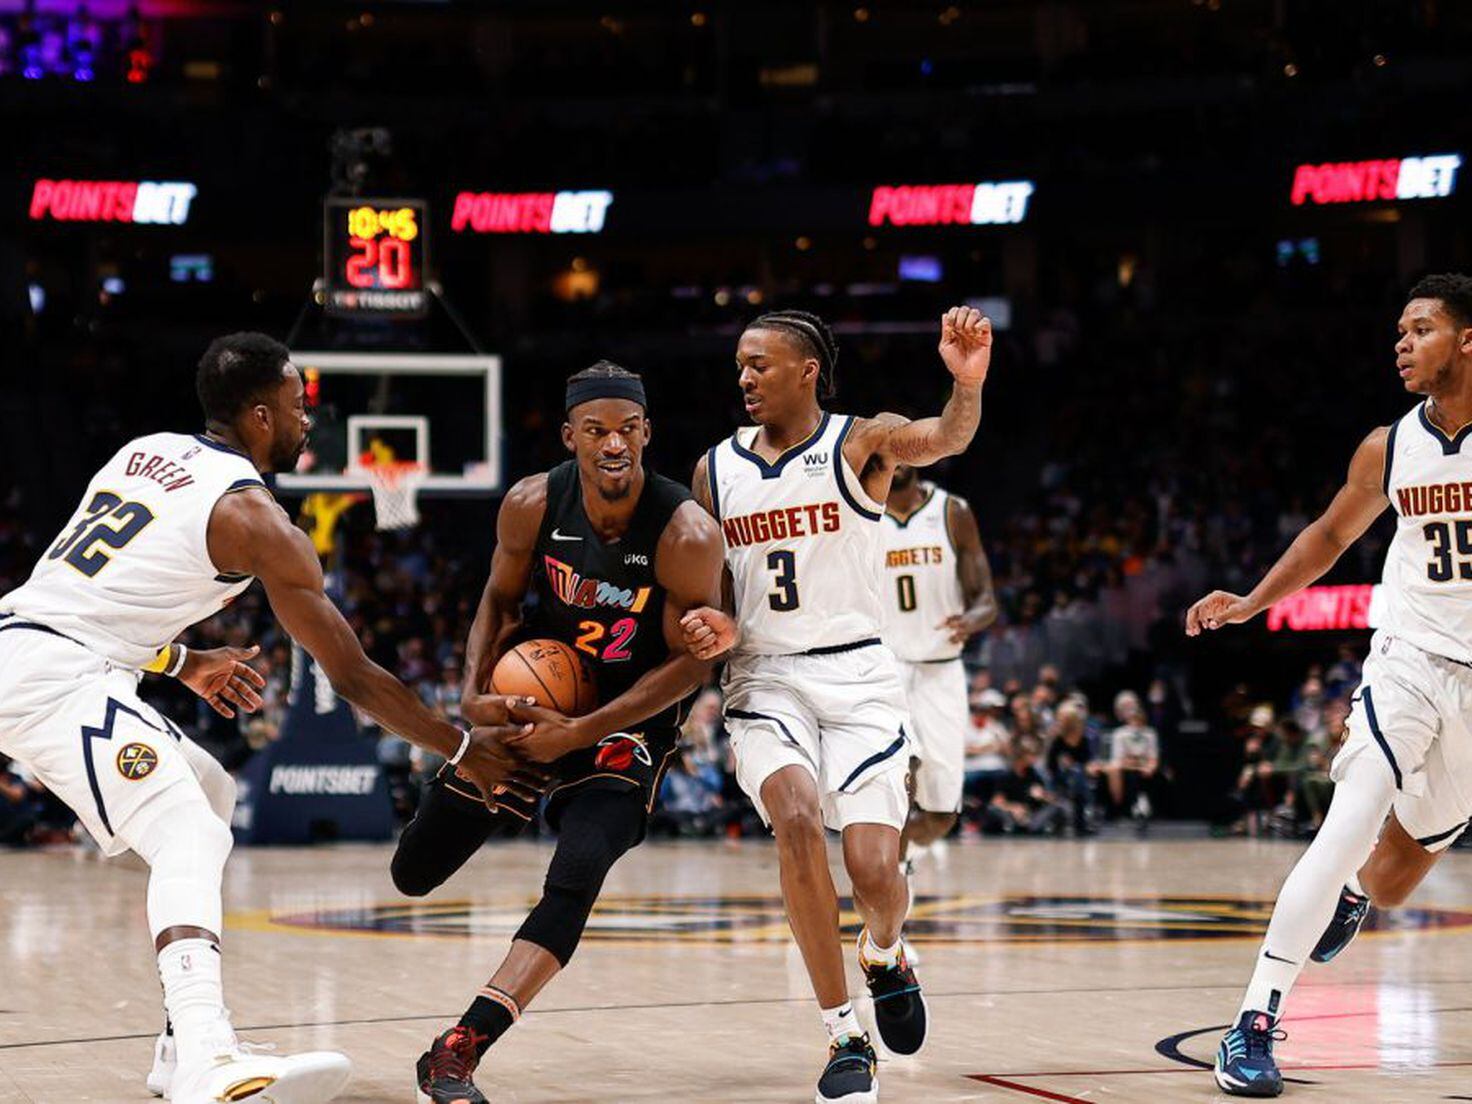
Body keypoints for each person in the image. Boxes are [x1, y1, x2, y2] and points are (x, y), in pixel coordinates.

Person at [0, 332, 537, 1104]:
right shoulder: (256, 520)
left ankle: (175, 1046)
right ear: (258, 415)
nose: (308, 420)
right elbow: (350, 674)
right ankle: (207, 1056)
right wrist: (460, 748)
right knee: (187, 829)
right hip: (55, 680)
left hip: (38, 649)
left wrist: (187, 663)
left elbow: (93, 602)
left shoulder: (144, 451)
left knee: (212, 793)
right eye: (297, 405)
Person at [390, 362, 726, 1104]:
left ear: (647, 434)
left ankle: (458, 1048)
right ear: (569, 435)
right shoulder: (531, 503)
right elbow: (498, 600)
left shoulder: (685, 531)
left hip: (624, 722)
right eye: (598, 430)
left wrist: (580, 731)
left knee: (579, 867)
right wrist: (474, 696)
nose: (614, 444)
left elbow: (688, 668)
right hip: (530, 700)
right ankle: (463, 792)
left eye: (628, 430)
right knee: (413, 873)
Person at [682, 305, 991, 1103]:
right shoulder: (714, 469)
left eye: (760, 364)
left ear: (806, 370)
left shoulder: (862, 440)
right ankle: (844, 1035)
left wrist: (966, 383)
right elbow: (712, 588)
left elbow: (947, 438)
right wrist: (709, 619)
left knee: (875, 871)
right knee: (792, 818)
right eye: (740, 365)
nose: (744, 378)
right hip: (765, 679)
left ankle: (885, 951)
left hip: (859, 676)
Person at [1186, 273, 1472, 1097]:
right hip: (1408, 661)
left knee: (1390, 872)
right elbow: (1328, 535)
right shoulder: (1388, 445)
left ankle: (1351, 895)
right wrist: (1251, 602)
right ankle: (1254, 1023)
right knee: (1346, 823)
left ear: (1466, 341)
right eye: (1399, 331)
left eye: (1420, 329)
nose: (1402, 343)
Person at [877, 464, 998, 864]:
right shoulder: (862, 513)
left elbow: (986, 600)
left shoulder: (952, 512)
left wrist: (972, 620)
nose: (894, 459)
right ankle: (890, 880)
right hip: (885, 667)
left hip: (941, 668)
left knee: (942, 814)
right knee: (898, 772)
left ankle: (903, 857)